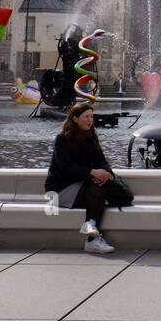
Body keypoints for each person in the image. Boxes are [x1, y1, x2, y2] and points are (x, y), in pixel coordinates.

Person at [45, 103, 134, 255]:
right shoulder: (62, 139)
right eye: (86, 117)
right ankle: (92, 239)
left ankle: (90, 226)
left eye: (91, 117)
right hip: (60, 190)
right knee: (97, 188)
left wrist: (106, 174)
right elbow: (66, 169)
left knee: (113, 191)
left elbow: (102, 161)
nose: (90, 120)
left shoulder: (91, 136)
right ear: (75, 119)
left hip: (83, 185)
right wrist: (92, 172)